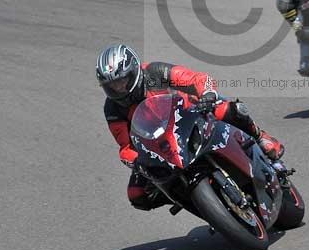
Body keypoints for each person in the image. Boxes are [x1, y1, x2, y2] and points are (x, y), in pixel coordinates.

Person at [96, 44, 284, 212]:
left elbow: (196, 79)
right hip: (159, 146)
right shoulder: (112, 109)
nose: (118, 89)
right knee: (137, 195)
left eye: (122, 81)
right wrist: (136, 160)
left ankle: (260, 137)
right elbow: (126, 146)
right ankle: (202, 204)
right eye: (111, 86)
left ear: (135, 70)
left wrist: (207, 94)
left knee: (227, 110)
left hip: (192, 115)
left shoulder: (155, 72)